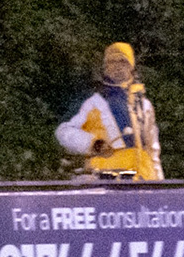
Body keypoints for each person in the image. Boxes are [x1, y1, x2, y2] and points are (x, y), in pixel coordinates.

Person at [57, 42, 162, 181]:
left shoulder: (144, 104)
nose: (117, 66)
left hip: (143, 179)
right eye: (112, 62)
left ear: (131, 67)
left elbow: (153, 150)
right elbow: (63, 132)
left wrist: (159, 183)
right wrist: (94, 144)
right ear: (106, 68)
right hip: (106, 178)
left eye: (123, 61)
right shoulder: (93, 102)